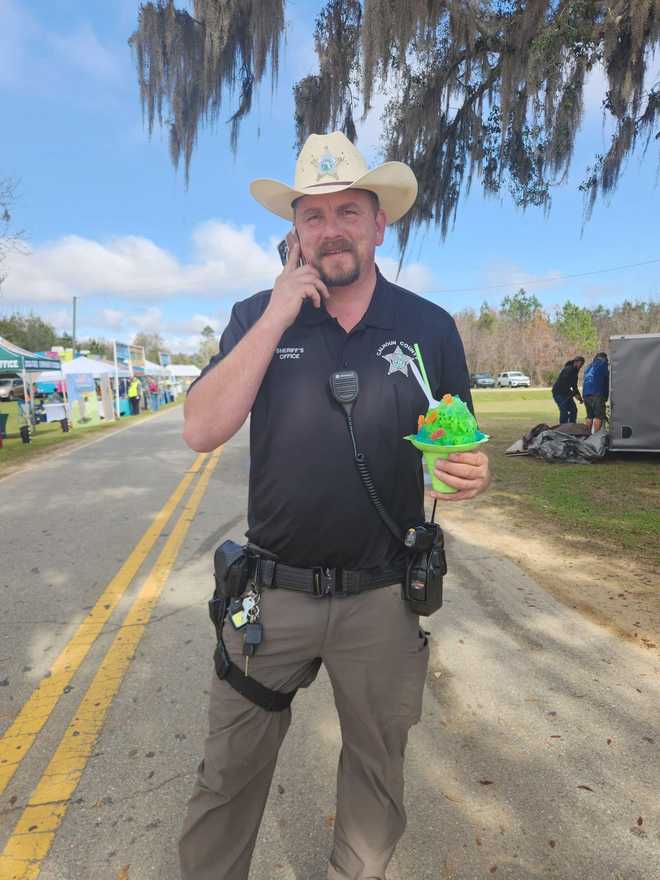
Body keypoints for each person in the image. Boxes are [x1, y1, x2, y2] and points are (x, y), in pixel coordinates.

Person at [179, 131, 491, 880]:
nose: (332, 230)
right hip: (273, 595)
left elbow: (456, 446)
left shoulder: (427, 328)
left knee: (375, 785)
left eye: (348, 211)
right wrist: (277, 317)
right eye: (313, 217)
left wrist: (468, 471)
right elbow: (200, 428)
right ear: (293, 232)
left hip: (383, 600)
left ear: (380, 224)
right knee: (227, 777)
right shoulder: (256, 313)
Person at [551, 356, 585, 424]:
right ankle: (563, 429)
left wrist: (579, 397)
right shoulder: (568, 369)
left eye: (582, 365)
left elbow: (574, 386)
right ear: (575, 362)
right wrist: (573, 394)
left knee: (573, 410)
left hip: (566, 394)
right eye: (580, 364)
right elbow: (563, 383)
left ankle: (572, 427)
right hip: (558, 393)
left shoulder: (575, 372)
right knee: (564, 411)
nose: (580, 366)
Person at [583, 352, 609, 433]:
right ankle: (596, 437)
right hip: (596, 393)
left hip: (586, 394)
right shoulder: (603, 365)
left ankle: (586, 435)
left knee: (589, 416)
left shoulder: (589, 366)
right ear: (604, 358)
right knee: (598, 417)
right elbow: (606, 381)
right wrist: (605, 396)